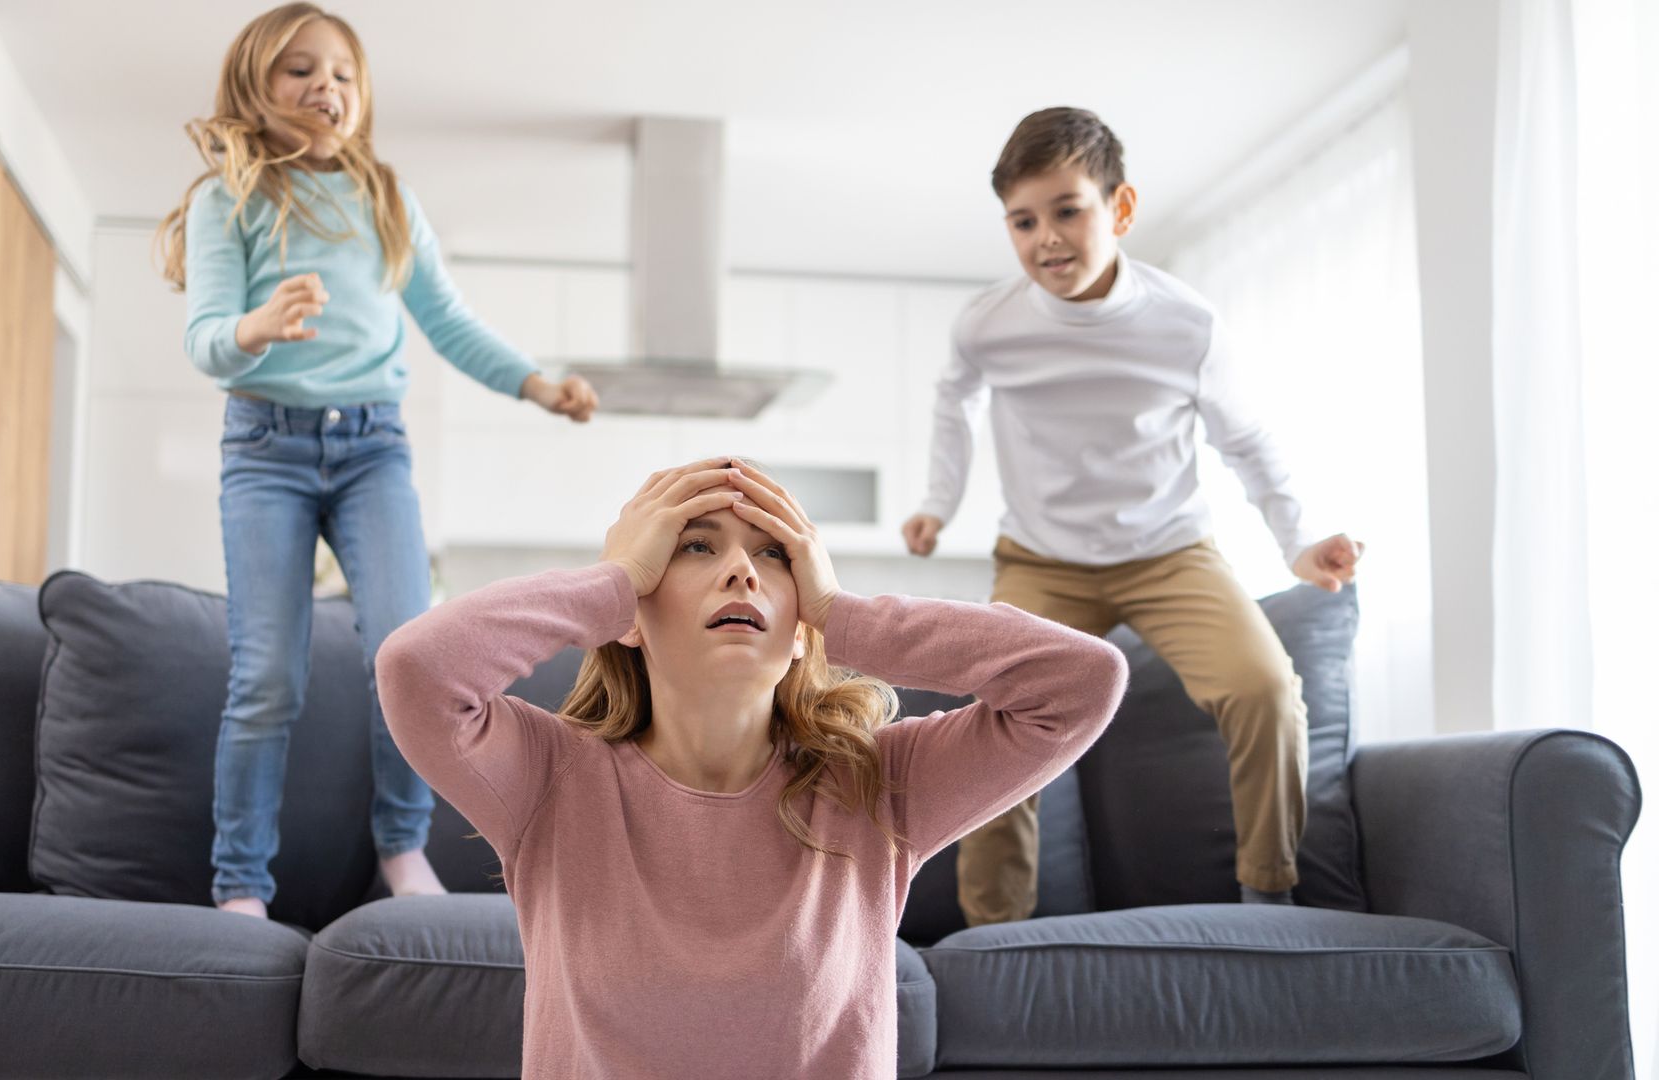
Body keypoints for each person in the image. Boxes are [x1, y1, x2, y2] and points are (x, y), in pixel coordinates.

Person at [378, 458, 1127, 1077]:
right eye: (695, 547)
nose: (741, 570)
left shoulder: (877, 784)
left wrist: (842, 613)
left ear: (801, 629)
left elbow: (1083, 683)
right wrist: (610, 582)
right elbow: (417, 671)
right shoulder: (548, 778)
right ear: (631, 615)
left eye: (774, 554)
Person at [156, 2, 599, 917]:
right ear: (255, 88)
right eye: (301, 70)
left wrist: (537, 385)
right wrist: (258, 325)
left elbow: (448, 321)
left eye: (344, 74)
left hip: (372, 451)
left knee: (410, 654)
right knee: (266, 677)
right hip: (265, 448)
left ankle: (402, 849)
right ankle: (240, 886)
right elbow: (205, 341)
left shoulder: (385, 198)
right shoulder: (227, 198)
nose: (328, 87)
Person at [901, 106, 1364, 925]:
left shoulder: (1184, 324)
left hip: (1170, 553)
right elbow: (952, 402)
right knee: (999, 719)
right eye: (1023, 220)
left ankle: (1270, 892)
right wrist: (937, 505)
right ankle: (992, 932)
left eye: (1067, 210)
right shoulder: (989, 324)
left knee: (1265, 689)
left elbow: (1245, 439)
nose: (1046, 238)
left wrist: (1298, 542)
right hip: (1042, 559)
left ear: (1119, 208)